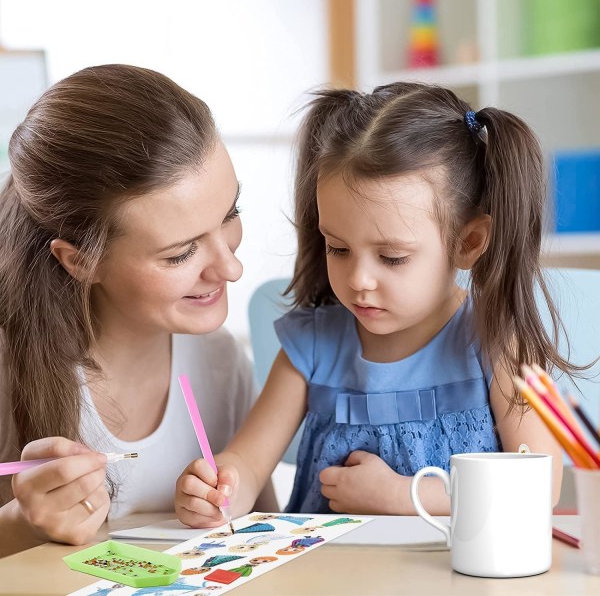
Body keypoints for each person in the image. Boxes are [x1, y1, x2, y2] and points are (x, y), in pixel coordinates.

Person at [174, 81, 580, 525]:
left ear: (468, 242)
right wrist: (219, 489)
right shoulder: (312, 346)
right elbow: (249, 463)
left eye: (392, 257)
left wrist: (405, 495)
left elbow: (541, 485)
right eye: (338, 248)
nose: (358, 280)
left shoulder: (494, 341)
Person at [0, 64, 276, 557]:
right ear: (80, 261)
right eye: (180, 253)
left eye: (230, 213)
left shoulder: (218, 361)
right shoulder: (10, 366)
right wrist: (21, 525)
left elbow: (268, 539)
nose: (231, 268)